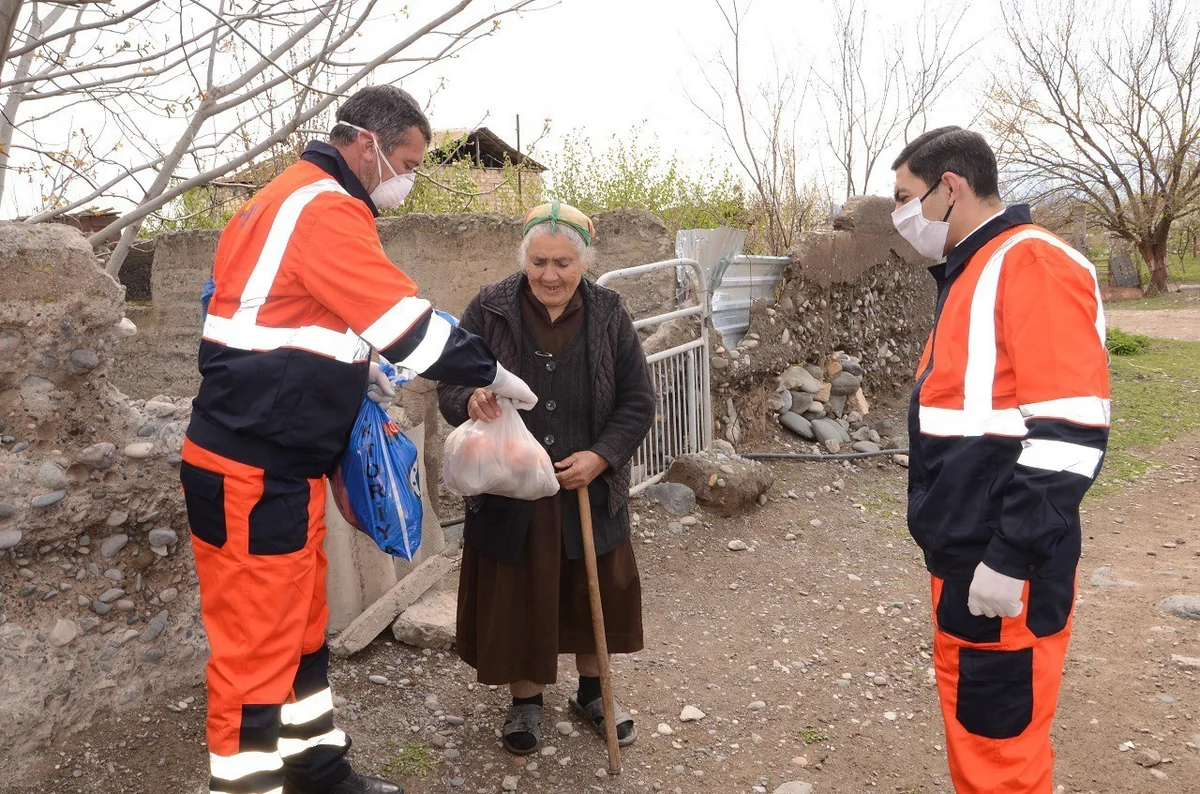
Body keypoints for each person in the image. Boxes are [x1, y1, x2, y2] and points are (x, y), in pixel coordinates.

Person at [182, 85, 538, 794]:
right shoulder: (325, 209)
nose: (407, 177)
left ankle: (319, 772)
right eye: (407, 160)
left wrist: (359, 365)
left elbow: (285, 317)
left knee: (302, 632)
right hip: (254, 469)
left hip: (273, 465)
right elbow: (409, 324)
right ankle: (247, 783)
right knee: (256, 655)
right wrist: (492, 371)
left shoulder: (276, 200)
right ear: (367, 144)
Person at [890, 127, 1110, 793]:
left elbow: (1071, 429)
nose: (902, 215)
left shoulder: (1029, 263)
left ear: (949, 187)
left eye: (906, 198)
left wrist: (1010, 557)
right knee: (979, 739)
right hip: (968, 560)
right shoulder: (971, 271)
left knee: (999, 755)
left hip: (1001, 567)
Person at [437, 201, 655, 756]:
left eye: (562, 263)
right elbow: (449, 385)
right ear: (523, 260)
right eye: (539, 262)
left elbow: (637, 400)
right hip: (511, 486)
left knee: (592, 589)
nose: (550, 275)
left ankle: (592, 693)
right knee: (519, 593)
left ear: (583, 263)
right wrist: (471, 399)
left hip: (587, 484)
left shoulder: (609, 311)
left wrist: (602, 457)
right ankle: (526, 701)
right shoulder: (489, 308)